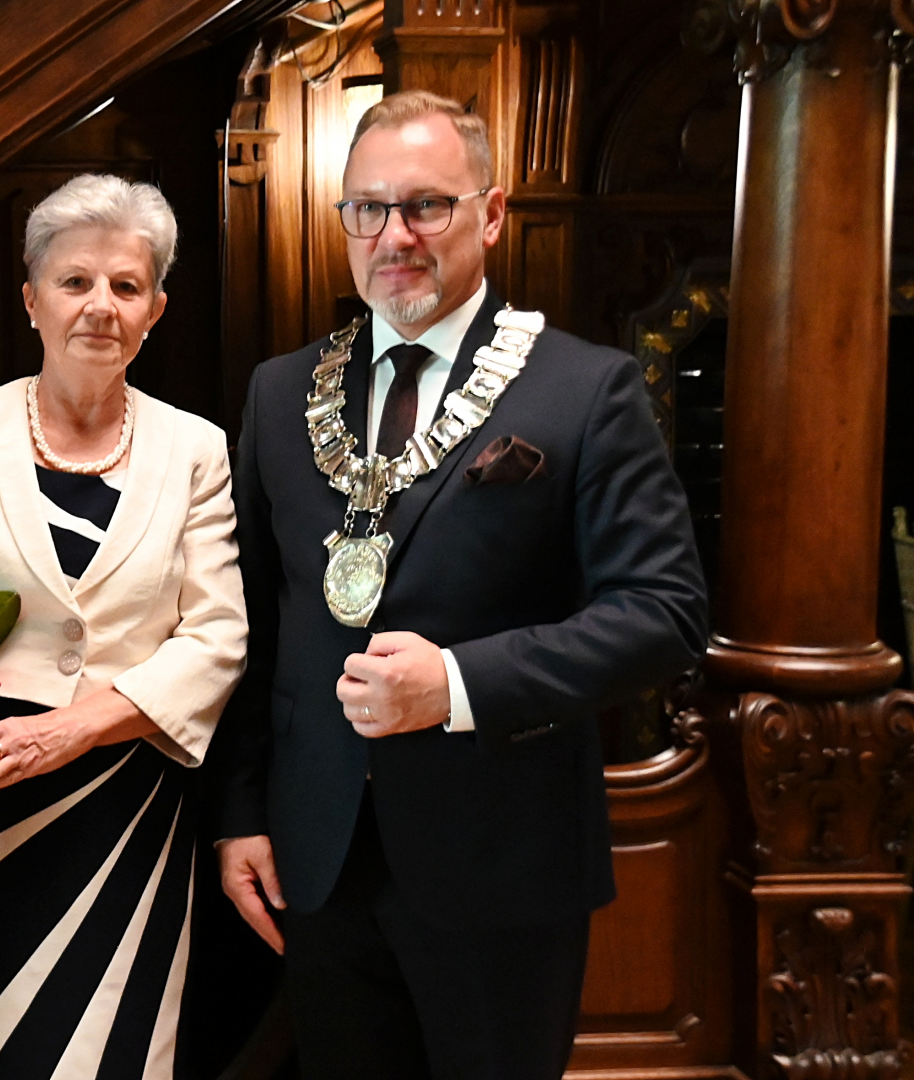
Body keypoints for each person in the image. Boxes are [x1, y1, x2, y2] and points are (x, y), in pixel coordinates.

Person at [207, 90, 709, 1079]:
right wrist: (242, 814)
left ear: (491, 214)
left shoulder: (586, 390)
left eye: (426, 206)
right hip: (317, 858)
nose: (394, 236)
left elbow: (664, 613)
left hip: (503, 861)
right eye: (369, 208)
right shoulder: (279, 391)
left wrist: (457, 685)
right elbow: (256, 625)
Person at [0, 173, 247, 1080]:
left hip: (130, 792)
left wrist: (75, 729)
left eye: (126, 286)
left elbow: (217, 636)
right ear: (32, 299)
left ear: (155, 310)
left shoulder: (197, 447)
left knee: (119, 1049)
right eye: (75, 281)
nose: (100, 306)